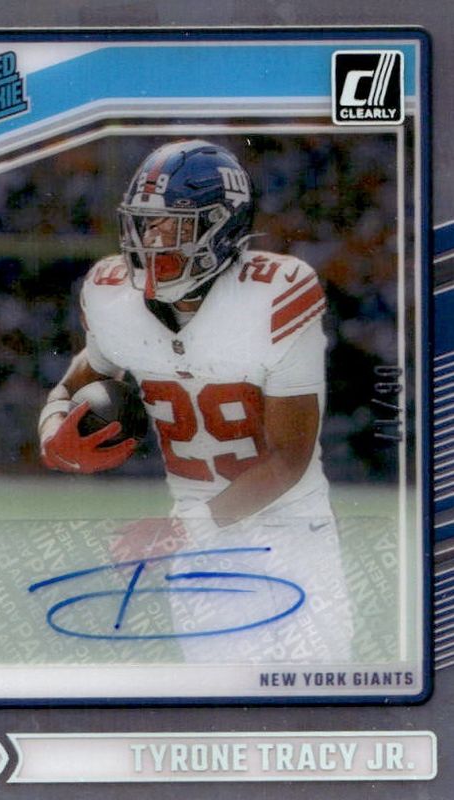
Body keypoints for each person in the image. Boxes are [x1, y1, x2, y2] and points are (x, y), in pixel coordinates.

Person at [38, 139, 353, 664]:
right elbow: (74, 382)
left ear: (221, 228)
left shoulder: (275, 293)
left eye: (173, 226)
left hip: (293, 535)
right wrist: (53, 430)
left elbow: (288, 459)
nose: (152, 240)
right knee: (222, 698)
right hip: (201, 545)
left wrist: (182, 531)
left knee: (317, 691)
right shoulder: (111, 294)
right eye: (145, 224)